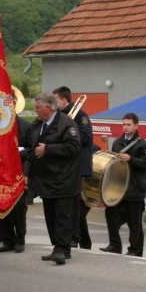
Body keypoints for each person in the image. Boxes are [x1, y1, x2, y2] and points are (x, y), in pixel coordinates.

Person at [28, 92, 81, 265]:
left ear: (48, 108)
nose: (35, 110)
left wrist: (48, 149)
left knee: (62, 216)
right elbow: (32, 150)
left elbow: (73, 147)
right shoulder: (38, 124)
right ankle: (57, 247)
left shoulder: (67, 124)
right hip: (46, 179)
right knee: (50, 216)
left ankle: (62, 249)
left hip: (63, 179)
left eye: (38, 107)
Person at [100, 113, 146, 257]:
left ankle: (135, 249)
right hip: (118, 188)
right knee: (110, 215)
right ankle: (114, 245)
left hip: (135, 189)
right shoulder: (117, 143)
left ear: (136, 126)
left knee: (134, 222)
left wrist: (131, 159)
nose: (125, 127)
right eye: (123, 124)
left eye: (128, 124)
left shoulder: (144, 145)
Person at [52, 86, 94, 249]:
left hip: (78, 166)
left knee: (76, 205)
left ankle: (77, 238)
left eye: (56, 100)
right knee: (72, 205)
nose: (54, 104)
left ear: (64, 100)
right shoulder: (60, 116)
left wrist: (67, 134)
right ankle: (81, 239)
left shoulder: (80, 115)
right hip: (67, 166)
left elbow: (86, 138)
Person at [0, 97, 33, 254]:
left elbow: (32, 152)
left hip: (18, 173)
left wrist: (26, 173)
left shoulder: (26, 126)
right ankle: (8, 239)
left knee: (19, 209)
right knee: (2, 206)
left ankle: (20, 239)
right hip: (1, 173)